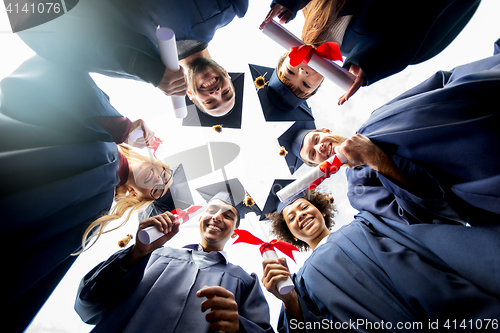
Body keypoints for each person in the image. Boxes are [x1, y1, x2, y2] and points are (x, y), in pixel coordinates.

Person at [0, 55, 190, 332]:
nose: (160, 179)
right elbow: (51, 67)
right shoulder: (106, 136)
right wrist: (120, 126)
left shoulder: (96, 212)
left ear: (141, 196)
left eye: (159, 189)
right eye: (165, 172)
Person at [278, 40, 500, 223]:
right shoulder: (359, 189)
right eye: (313, 155)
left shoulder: (376, 117)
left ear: (326, 130)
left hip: (486, 95)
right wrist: (374, 159)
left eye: (316, 139)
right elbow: (431, 214)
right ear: (319, 167)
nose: (319, 147)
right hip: (485, 170)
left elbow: (440, 82)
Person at [260, 179, 500, 332]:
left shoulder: (366, 221)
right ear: (290, 234)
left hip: (457, 313)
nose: (299, 215)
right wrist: (289, 301)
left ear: (320, 209)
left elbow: (414, 218)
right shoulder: (300, 282)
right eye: (291, 218)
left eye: (303, 207)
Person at [75, 178, 274, 333]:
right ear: (201, 218)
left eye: (228, 215)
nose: (217, 216)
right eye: (211, 210)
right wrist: (136, 253)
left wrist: (239, 328)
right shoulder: (153, 256)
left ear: (235, 231)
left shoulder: (244, 282)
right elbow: (88, 304)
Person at [18, 0, 249, 116]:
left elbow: (29, 21)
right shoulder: (227, 7)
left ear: (189, 93)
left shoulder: (136, 62)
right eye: (227, 92)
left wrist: (143, 67)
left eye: (210, 102)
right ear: (227, 74)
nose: (216, 93)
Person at [260, 0, 481, 104]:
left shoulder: (307, 6)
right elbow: (412, 28)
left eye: (290, 71)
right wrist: (371, 62)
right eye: (306, 85)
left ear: (287, 54)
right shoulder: (365, 53)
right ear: (320, 83)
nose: (303, 73)